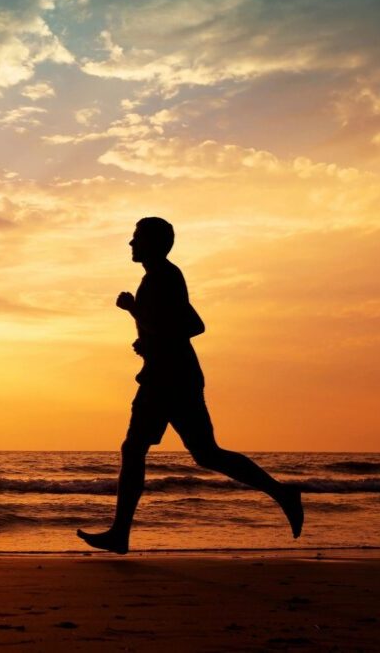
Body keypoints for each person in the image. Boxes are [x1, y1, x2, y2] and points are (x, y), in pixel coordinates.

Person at [77, 217, 303, 555]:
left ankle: (120, 533)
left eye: (137, 238)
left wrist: (133, 310)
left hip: (170, 378)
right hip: (167, 373)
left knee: (142, 448)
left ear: (155, 243)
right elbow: (170, 326)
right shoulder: (157, 278)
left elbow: (193, 326)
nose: (130, 243)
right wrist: (147, 341)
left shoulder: (165, 277)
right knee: (200, 453)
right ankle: (282, 493)